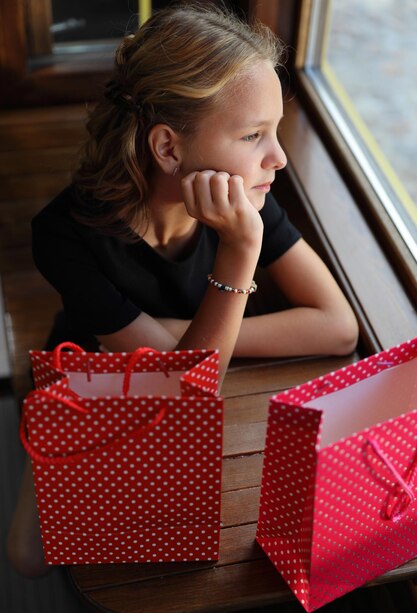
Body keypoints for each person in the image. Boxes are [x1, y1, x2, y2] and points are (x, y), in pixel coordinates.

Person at [7, 2, 358, 578]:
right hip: (97, 379)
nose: (279, 157)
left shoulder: (250, 198)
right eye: (253, 135)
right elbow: (182, 393)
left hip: (192, 374)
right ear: (168, 148)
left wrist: (175, 341)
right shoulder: (63, 235)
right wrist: (240, 255)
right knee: (27, 560)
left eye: (274, 131)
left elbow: (338, 326)